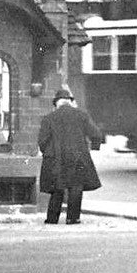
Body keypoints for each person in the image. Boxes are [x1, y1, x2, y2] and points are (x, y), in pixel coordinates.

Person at [39, 86, 104, 225]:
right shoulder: (81, 115)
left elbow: (42, 141)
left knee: (57, 188)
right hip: (78, 156)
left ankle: (52, 219)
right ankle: (73, 218)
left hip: (57, 158)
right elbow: (96, 134)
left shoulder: (48, 118)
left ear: (57, 103)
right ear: (70, 101)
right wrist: (94, 148)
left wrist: (47, 153)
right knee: (76, 187)